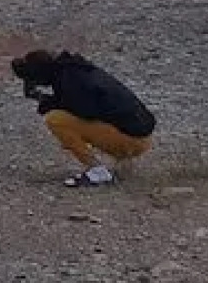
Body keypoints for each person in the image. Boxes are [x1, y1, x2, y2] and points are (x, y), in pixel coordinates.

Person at [10, 49, 157, 188]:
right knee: (73, 117)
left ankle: (98, 171)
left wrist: (45, 102)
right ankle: (123, 161)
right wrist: (47, 100)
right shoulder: (74, 69)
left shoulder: (70, 80)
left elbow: (82, 112)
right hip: (142, 136)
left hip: (133, 141)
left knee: (56, 120)